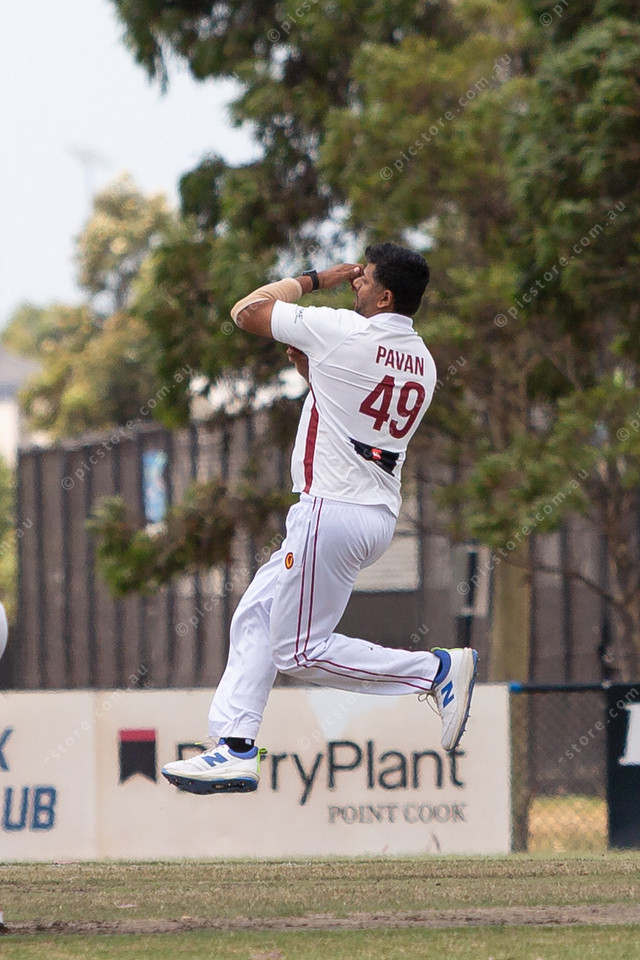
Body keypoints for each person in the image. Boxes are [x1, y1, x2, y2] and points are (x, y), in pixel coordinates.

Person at [162, 243, 477, 795]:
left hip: (330, 511)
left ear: (385, 297)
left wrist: (315, 279)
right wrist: (315, 373)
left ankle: (434, 671)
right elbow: (354, 419)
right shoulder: (423, 362)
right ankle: (234, 746)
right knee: (257, 615)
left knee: (298, 651)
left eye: (364, 278)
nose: (355, 282)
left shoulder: (344, 331)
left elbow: (247, 311)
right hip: (373, 513)